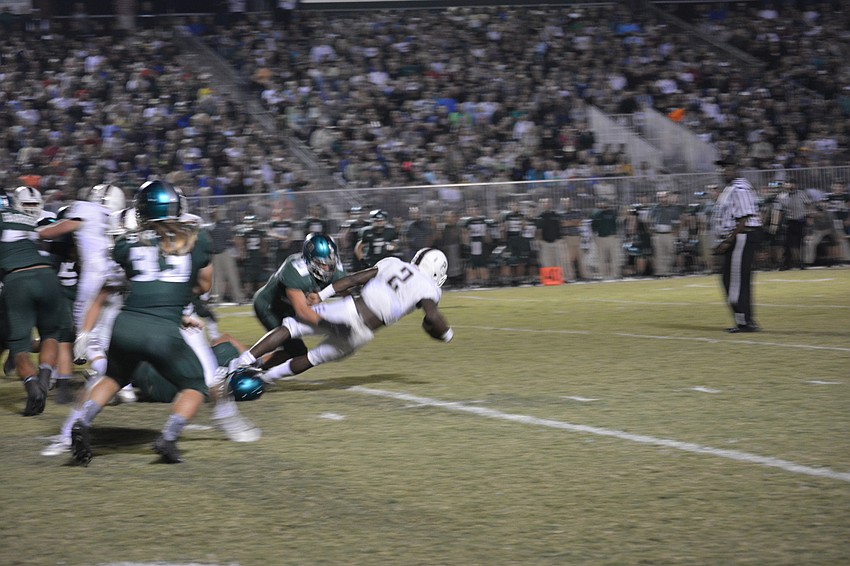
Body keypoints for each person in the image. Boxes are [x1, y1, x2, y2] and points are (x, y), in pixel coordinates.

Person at [67, 180, 214, 465]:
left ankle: (82, 422)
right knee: (195, 384)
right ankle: (168, 438)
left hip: (125, 326)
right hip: (162, 332)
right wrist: (176, 300)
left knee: (113, 378)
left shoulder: (127, 243)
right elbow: (205, 285)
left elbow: (119, 285)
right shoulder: (196, 239)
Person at [232, 248, 453, 382]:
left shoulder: (394, 263)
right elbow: (432, 317)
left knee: (292, 327)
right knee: (313, 358)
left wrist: (322, 295)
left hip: (348, 309)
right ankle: (266, 378)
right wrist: (446, 334)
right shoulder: (429, 288)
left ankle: (243, 361)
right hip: (362, 333)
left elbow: (354, 279)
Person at [0, 191, 66, 416]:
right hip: (47, 275)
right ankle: (45, 378)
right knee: (50, 335)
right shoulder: (25, 217)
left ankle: (32, 387)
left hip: (18, 279)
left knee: (20, 347)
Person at [252, 232, 347, 371]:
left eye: (330, 262)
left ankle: (256, 366)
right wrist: (332, 326)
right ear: (309, 259)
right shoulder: (295, 269)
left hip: (290, 309)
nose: (327, 268)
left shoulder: (335, 268)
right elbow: (302, 311)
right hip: (270, 307)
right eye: (321, 263)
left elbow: (347, 293)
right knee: (295, 349)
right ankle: (247, 364)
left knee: (297, 352)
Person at [712, 156, 763, 333]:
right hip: (738, 237)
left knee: (734, 281)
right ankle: (744, 320)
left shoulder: (740, 187)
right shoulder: (731, 188)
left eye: (728, 168)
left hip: (742, 236)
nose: (724, 172)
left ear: (736, 169)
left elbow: (743, 219)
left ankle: (744, 322)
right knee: (732, 279)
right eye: (722, 169)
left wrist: (728, 241)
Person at [205, 206, 245, 303]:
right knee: (216, 278)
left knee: (232, 276)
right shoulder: (209, 227)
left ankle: (239, 298)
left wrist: (239, 251)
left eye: (216, 212)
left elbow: (233, 239)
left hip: (225, 252)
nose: (215, 214)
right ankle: (217, 299)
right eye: (213, 213)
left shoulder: (223, 225)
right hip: (214, 254)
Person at [777, 181, 811, 270]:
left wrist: (809, 217)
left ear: (796, 185)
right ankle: (787, 264)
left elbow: (808, 205)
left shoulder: (801, 194)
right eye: (788, 183)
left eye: (792, 183)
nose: (790, 185)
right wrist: (778, 224)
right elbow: (780, 210)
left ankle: (800, 263)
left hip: (800, 221)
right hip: (790, 222)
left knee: (799, 243)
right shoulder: (782, 196)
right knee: (788, 244)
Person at [648, 191, 682, 277]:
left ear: (667, 197)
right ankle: (660, 272)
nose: (662, 199)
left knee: (670, 252)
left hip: (669, 233)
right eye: (660, 197)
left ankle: (668, 270)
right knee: (659, 254)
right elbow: (649, 219)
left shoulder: (673, 208)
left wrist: (677, 231)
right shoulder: (655, 208)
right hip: (658, 234)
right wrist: (651, 231)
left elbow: (678, 221)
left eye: (664, 197)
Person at [590, 199, 621, 279]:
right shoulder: (596, 214)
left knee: (613, 256)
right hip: (600, 238)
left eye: (604, 202)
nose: (603, 204)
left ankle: (615, 274)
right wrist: (595, 237)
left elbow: (616, 224)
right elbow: (593, 226)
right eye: (601, 202)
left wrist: (615, 234)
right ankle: (603, 275)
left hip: (611, 237)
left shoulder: (612, 213)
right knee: (601, 257)